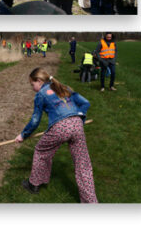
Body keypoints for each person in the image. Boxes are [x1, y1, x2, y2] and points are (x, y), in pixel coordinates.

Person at [15, 67, 96, 203]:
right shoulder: (63, 87)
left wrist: (23, 135)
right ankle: (91, 202)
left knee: (41, 152)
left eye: (32, 84)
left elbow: (35, 120)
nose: (32, 87)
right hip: (77, 125)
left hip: (60, 127)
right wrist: (79, 120)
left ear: (39, 81)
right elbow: (85, 103)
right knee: (83, 164)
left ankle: (34, 184)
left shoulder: (40, 94)